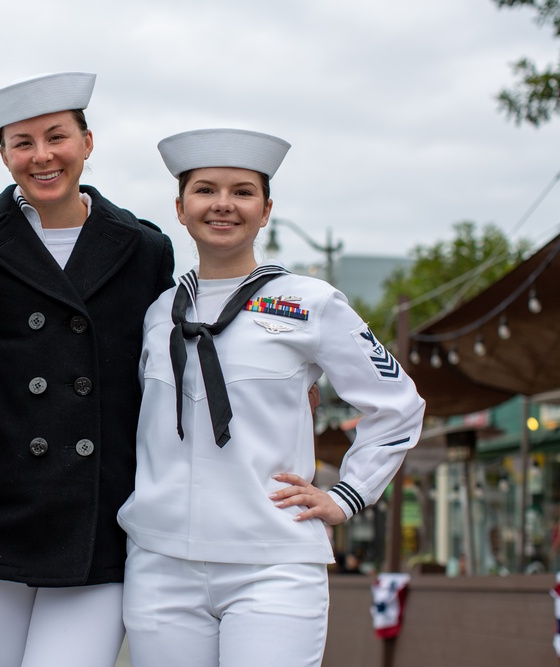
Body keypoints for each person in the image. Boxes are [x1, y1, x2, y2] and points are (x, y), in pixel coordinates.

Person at [116, 128, 426, 667]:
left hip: (273, 564)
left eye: (243, 192)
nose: (223, 204)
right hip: (159, 564)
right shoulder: (158, 312)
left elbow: (397, 404)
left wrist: (349, 494)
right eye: (205, 190)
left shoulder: (309, 303)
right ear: (180, 208)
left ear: (265, 211)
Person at [0, 72, 175, 667]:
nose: (42, 156)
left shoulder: (144, 249)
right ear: (4, 155)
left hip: (101, 520)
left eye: (56, 137)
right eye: (23, 142)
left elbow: (170, 360)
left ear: (87, 142)